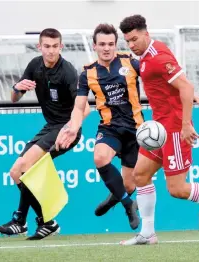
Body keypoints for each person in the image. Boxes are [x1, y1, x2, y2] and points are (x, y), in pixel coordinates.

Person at [117, 15, 199, 245]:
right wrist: (194, 97)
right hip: (159, 129)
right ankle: (147, 233)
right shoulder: (146, 56)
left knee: (177, 189)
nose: (131, 45)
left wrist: (186, 124)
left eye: (134, 39)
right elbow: (177, 85)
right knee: (140, 175)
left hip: (175, 129)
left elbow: (186, 85)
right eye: (128, 41)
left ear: (146, 34)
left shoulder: (158, 56)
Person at [0, 28, 90, 240]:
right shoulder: (35, 65)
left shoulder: (68, 72)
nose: (51, 51)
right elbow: (14, 97)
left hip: (66, 129)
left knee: (26, 167)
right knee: (15, 172)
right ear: (39, 47)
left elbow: (85, 108)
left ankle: (21, 221)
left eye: (55, 46)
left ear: (60, 47)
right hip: (50, 127)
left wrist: (71, 129)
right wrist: (17, 87)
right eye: (46, 46)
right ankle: (46, 223)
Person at [55, 23, 141, 229]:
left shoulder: (132, 63)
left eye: (111, 44)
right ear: (94, 46)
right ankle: (128, 205)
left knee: (129, 185)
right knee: (100, 157)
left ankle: (116, 198)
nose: (106, 48)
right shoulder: (88, 73)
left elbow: (159, 81)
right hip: (110, 127)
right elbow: (79, 107)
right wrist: (73, 127)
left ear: (116, 45)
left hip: (135, 129)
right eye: (102, 44)